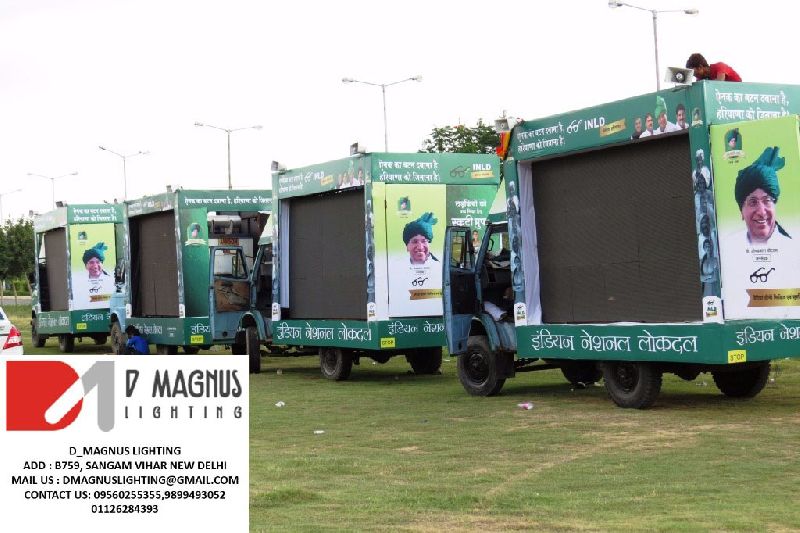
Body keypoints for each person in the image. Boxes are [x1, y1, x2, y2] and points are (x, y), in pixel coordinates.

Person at [734, 146, 791, 244]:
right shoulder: (730, 246)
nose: (761, 212)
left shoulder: (793, 248)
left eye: (767, 201)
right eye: (753, 202)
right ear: (741, 211)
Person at [72, 242, 115, 309]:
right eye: (91, 262)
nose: (95, 266)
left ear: (102, 264)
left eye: (98, 262)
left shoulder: (111, 281)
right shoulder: (79, 284)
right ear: (86, 266)